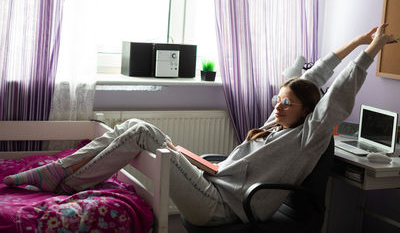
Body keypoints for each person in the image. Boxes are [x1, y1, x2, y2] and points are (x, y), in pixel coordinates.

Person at [3, 24, 397, 226]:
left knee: (141, 131)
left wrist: (372, 50)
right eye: (279, 100)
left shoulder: (307, 137)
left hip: (226, 208)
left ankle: (65, 178)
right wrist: (356, 40)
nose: (277, 106)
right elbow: (310, 74)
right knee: (141, 126)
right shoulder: (275, 123)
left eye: (287, 103)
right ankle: (61, 171)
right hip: (215, 184)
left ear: (307, 110)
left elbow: (338, 90)